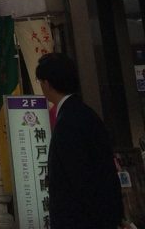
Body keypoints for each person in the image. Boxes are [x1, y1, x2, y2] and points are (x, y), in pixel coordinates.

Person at [35, 53, 124, 229]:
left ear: (47, 83)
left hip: (80, 219)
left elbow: (79, 179)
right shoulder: (85, 114)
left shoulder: (68, 122)